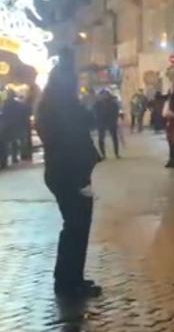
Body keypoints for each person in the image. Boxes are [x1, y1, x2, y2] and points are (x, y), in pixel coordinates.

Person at [35, 50, 102, 298]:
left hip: (61, 171)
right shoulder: (64, 107)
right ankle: (69, 281)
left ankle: (69, 278)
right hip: (71, 173)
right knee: (77, 227)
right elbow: (83, 127)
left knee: (74, 227)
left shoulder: (47, 106)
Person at [94, 89, 121, 159]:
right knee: (101, 139)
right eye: (103, 95)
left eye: (106, 94)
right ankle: (103, 154)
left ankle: (116, 153)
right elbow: (95, 113)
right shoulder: (97, 104)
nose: (104, 96)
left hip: (111, 122)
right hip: (101, 123)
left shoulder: (113, 103)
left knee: (114, 138)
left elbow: (116, 112)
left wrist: (114, 120)